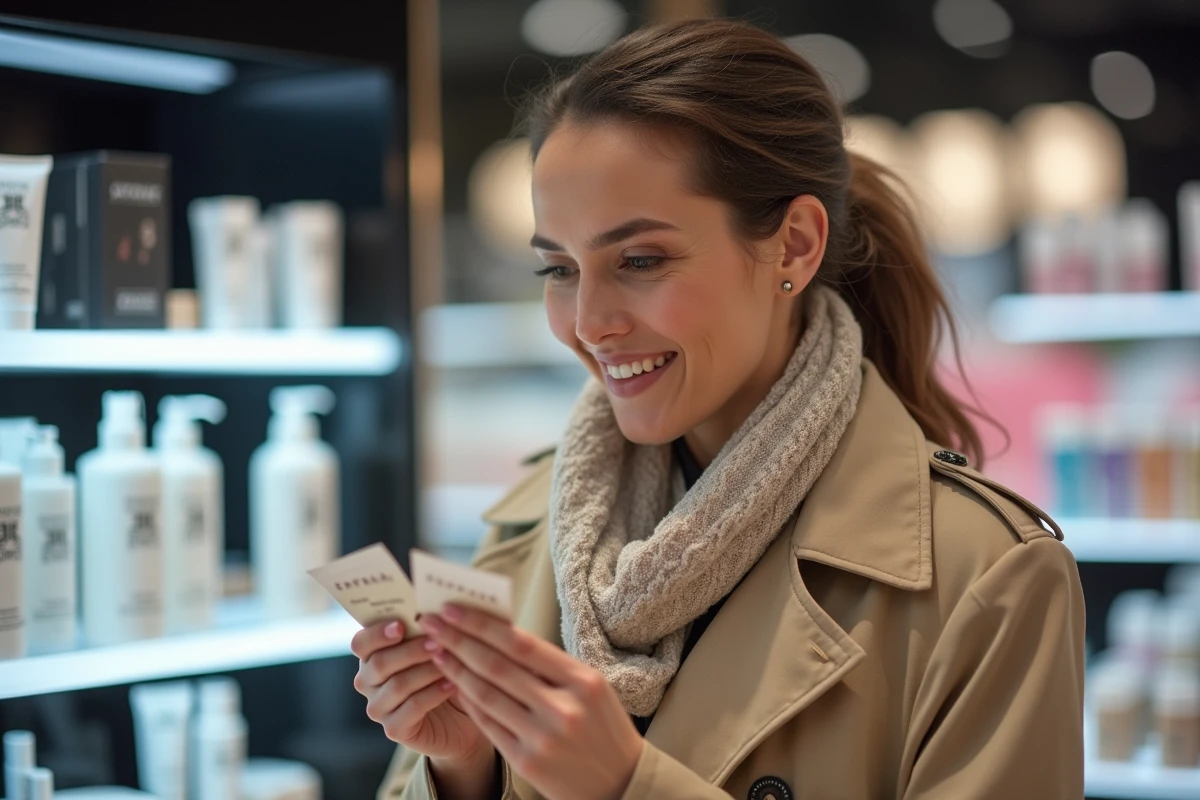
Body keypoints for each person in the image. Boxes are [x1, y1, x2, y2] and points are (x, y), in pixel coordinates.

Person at [354, 17, 1085, 800]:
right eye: (559, 269)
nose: (590, 321)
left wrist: (629, 785)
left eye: (640, 260)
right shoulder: (530, 525)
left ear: (795, 246)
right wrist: (465, 768)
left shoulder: (987, 578)